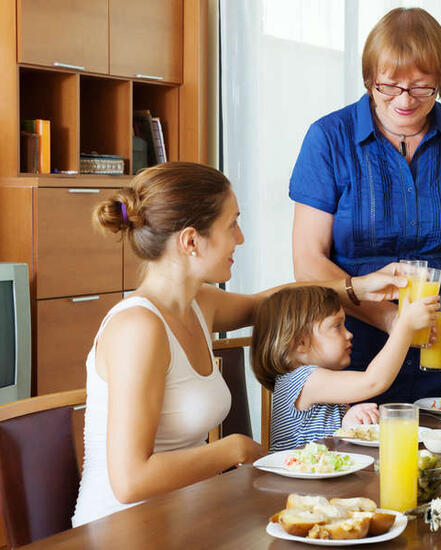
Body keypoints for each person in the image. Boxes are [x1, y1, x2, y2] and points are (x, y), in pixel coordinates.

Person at [72, 162, 407, 526]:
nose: (241, 238)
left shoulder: (198, 304)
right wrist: (233, 448)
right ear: (190, 241)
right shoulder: (138, 328)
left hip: (184, 516)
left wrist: (356, 287)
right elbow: (131, 482)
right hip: (121, 531)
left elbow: (277, 303)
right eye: (232, 224)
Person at [290, 7, 441, 403]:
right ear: (370, 79)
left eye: (422, 87)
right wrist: (392, 321)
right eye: (389, 86)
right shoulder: (329, 138)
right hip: (353, 352)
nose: (404, 100)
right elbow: (308, 261)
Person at [251, 286, 439, 451]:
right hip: (294, 487)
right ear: (300, 342)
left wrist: (348, 420)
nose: (349, 334)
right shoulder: (304, 379)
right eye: (337, 326)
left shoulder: (316, 382)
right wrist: (404, 327)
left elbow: (325, 432)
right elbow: (372, 382)